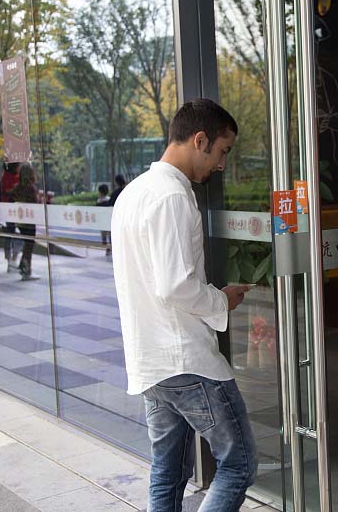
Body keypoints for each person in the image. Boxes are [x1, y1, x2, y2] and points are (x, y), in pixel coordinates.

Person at [112, 99, 256, 512]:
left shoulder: (132, 194)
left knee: (168, 470)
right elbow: (175, 285)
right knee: (240, 464)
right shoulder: (172, 196)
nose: (222, 164)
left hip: (151, 363)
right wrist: (221, 300)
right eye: (222, 151)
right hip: (186, 360)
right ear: (200, 139)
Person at [11, 163, 39, 281]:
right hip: (29, 220)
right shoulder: (31, 188)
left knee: (27, 244)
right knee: (29, 245)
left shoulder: (17, 187)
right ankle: (26, 269)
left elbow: (12, 201)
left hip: (20, 220)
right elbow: (33, 205)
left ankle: (23, 266)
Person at [0, 162, 22, 272]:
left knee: (9, 233)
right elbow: (7, 191)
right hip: (15, 210)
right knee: (18, 234)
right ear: (15, 167)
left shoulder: (4, 176)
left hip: (7, 209)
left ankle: (10, 260)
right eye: (19, 166)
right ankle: (13, 259)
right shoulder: (14, 178)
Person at [96, 183, 111, 254]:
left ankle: (107, 249)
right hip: (109, 220)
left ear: (100, 192)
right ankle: (110, 249)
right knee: (110, 235)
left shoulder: (99, 201)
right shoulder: (109, 199)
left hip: (102, 221)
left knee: (104, 236)